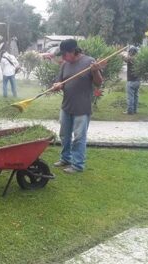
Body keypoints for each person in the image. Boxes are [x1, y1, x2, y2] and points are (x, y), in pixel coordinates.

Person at [51, 39, 105, 174]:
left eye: (64, 54)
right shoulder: (65, 64)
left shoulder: (89, 62)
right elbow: (60, 81)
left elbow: (98, 83)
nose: (62, 57)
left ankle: (77, 165)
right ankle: (65, 159)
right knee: (64, 135)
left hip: (82, 108)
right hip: (66, 106)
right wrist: (56, 86)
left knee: (79, 137)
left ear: (73, 51)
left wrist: (95, 71)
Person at [122, 46, 140, 115]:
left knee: (130, 97)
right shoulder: (139, 59)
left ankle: (130, 111)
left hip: (131, 81)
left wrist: (122, 55)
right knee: (136, 96)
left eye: (129, 52)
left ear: (131, 52)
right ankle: (135, 110)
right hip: (138, 81)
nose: (129, 53)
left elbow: (125, 59)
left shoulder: (131, 59)